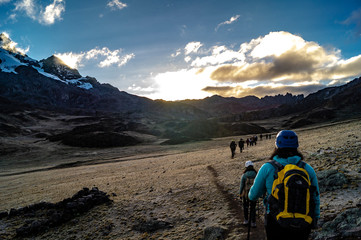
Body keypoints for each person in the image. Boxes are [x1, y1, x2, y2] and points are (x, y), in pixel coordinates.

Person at [248, 130, 320, 240]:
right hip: (304, 220)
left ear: (277, 146)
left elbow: (253, 195)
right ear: (296, 146)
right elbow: (315, 196)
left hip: (275, 219)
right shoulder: (307, 169)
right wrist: (315, 218)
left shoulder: (267, 168)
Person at [239, 161, 257, 228]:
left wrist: (240, 193)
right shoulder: (256, 174)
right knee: (253, 207)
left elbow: (242, 185)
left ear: (246, 167)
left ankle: (246, 220)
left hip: (245, 194)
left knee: (245, 207)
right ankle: (253, 222)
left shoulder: (244, 175)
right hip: (254, 193)